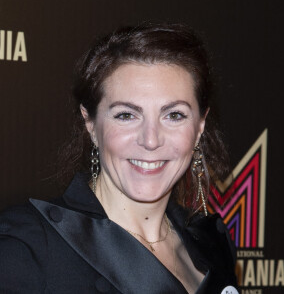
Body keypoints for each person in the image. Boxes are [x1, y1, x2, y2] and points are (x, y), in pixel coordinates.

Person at [0, 23, 238, 294]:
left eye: (174, 115)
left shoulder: (213, 245)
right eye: (127, 115)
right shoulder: (28, 248)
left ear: (199, 128)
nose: (150, 140)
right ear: (91, 125)